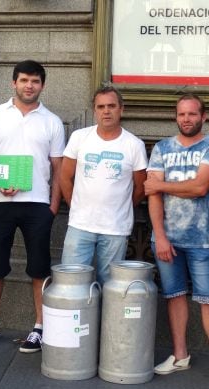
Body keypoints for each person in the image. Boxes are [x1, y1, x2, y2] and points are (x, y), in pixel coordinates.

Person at [0, 60, 65, 353]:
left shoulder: (52, 121)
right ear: (13, 82)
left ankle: (39, 327)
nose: (29, 86)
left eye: (35, 81)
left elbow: (58, 167)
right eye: (24, 80)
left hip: (38, 205)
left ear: (42, 85)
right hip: (0, 202)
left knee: (39, 268)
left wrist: (53, 205)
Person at [145, 93, 209, 389]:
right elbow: (152, 195)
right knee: (174, 295)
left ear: (203, 116)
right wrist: (160, 236)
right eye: (182, 114)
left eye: (193, 114)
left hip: (202, 239)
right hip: (168, 238)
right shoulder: (162, 148)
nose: (187, 119)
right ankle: (180, 355)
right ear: (176, 117)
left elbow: (200, 187)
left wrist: (161, 184)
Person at [59, 86, 147, 283]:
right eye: (101, 107)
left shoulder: (134, 145)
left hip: (115, 228)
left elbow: (141, 187)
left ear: (121, 109)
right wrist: (75, 206)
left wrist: (121, 207)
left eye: (111, 106)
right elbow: (64, 177)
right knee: (71, 282)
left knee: (110, 286)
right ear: (94, 110)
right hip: (80, 225)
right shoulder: (80, 137)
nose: (106, 111)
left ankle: (103, 316)